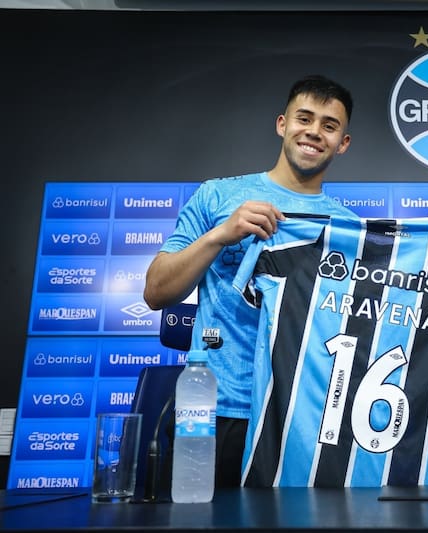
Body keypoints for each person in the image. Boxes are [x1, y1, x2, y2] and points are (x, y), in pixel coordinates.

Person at [143, 75, 357, 487]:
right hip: (213, 410)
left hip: (299, 416)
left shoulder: (349, 229)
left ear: (343, 142)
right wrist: (220, 235)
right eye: (304, 118)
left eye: (329, 126)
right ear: (282, 124)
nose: (314, 132)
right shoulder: (218, 196)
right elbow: (155, 292)